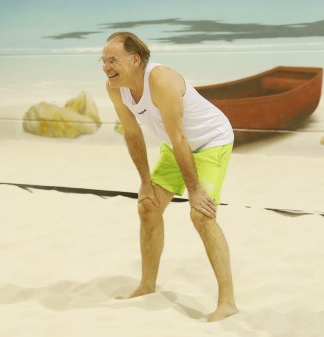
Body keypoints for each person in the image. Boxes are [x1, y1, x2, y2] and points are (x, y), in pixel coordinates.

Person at [101, 32, 238, 321]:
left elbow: (179, 137)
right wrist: (144, 181)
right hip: (178, 144)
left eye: (112, 60)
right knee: (148, 206)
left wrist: (195, 191)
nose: (106, 67)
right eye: (102, 61)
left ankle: (227, 303)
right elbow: (132, 133)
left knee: (201, 215)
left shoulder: (162, 80)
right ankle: (147, 285)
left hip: (211, 140)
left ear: (135, 59)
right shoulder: (116, 88)